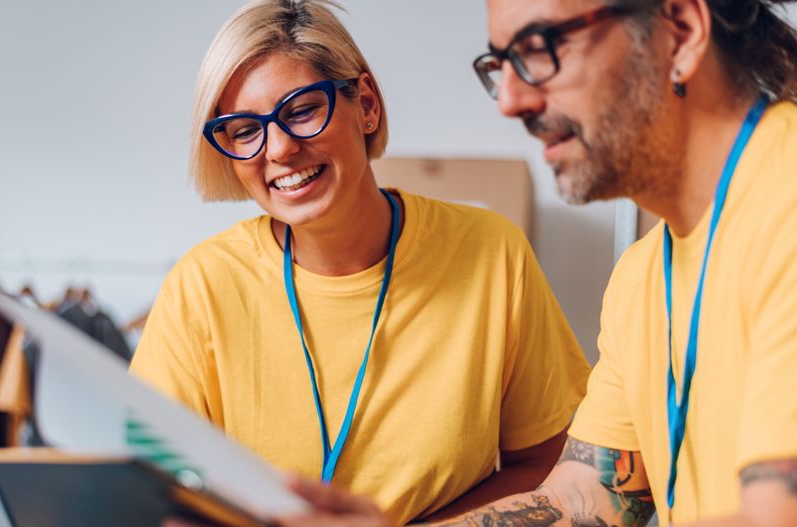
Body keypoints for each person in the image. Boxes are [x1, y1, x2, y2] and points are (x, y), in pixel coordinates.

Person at [276, 0, 797, 526]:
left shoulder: (787, 200)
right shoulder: (642, 275)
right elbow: (583, 498)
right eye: (500, 65)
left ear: (680, 33)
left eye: (540, 49)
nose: (510, 100)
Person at [130, 0, 590, 523]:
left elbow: (550, 465)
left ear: (365, 104)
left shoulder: (491, 253)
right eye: (244, 130)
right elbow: (151, 495)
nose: (278, 149)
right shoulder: (201, 285)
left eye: (301, 109)